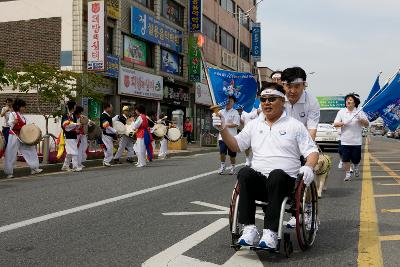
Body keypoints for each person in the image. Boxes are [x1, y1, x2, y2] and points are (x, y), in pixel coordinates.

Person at [212, 83, 318, 249]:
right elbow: (235, 146)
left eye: (272, 99)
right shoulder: (254, 125)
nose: (267, 102)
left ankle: (271, 232)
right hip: (260, 183)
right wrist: (223, 128)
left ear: (282, 101)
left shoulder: (295, 125)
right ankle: (249, 230)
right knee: (245, 172)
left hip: (285, 182)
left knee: (276, 174)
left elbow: (312, 152)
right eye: (263, 99)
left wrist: (309, 167)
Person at [334, 93, 369, 181]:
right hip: (345, 141)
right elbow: (335, 124)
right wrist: (343, 123)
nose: (348, 101)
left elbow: (367, 124)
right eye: (347, 100)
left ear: (355, 103)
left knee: (356, 159)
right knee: (345, 159)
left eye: (350, 100)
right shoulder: (341, 111)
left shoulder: (359, 112)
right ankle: (348, 174)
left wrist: (360, 119)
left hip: (356, 141)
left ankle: (356, 167)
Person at [3, 99, 43, 178]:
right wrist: (13, 123)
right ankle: (9, 172)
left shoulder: (24, 117)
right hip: (14, 135)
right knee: (11, 153)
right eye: (23, 107)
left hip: (22, 136)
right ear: (19, 107)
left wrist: (31, 126)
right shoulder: (13, 114)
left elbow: (26, 126)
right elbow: (10, 125)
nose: (25, 108)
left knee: (30, 150)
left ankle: (34, 168)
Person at [281, 67, 320, 141]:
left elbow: (312, 129)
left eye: (297, 86)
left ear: (304, 85)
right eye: (289, 86)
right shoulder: (275, 98)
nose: (293, 91)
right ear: (283, 85)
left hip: (301, 141)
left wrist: (308, 149)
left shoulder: (312, 102)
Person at [218, 95, 241, 175]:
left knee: (232, 155)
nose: (228, 102)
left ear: (233, 103)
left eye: (231, 101)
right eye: (227, 101)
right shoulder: (220, 112)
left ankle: (233, 167)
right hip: (222, 136)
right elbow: (217, 122)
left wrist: (224, 125)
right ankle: (222, 166)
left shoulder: (235, 112)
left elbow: (236, 124)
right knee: (222, 153)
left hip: (232, 137)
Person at [61, 100, 81, 172]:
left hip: (73, 134)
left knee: (70, 152)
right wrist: (76, 125)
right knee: (74, 150)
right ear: (72, 106)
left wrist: (76, 128)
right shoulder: (66, 115)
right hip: (68, 135)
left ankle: (65, 166)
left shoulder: (72, 115)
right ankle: (75, 166)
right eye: (75, 105)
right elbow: (65, 125)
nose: (76, 107)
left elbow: (71, 125)